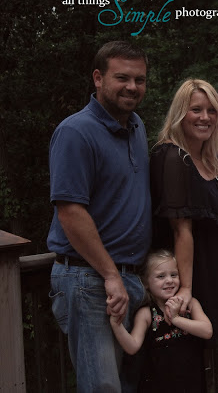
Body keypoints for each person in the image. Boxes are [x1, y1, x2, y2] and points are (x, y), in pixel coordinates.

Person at [48, 40, 151, 392]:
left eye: (139, 79)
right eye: (122, 78)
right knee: (102, 386)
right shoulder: (76, 132)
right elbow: (70, 212)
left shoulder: (136, 126)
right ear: (98, 78)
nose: (132, 87)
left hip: (126, 279)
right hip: (89, 280)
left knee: (126, 384)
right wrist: (110, 275)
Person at [150, 79, 218, 344]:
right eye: (196, 110)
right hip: (187, 276)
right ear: (181, 113)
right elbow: (181, 230)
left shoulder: (215, 161)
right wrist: (185, 288)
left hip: (215, 270)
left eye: (212, 111)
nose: (205, 117)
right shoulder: (173, 156)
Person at [110, 249, 213, 393]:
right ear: (146, 282)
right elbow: (132, 346)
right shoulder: (146, 313)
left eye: (174, 275)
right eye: (161, 276)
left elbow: (207, 331)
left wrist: (176, 319)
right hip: (159, 384)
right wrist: (116, 325)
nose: (169, 280)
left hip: (191, 381)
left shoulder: (190, 304)